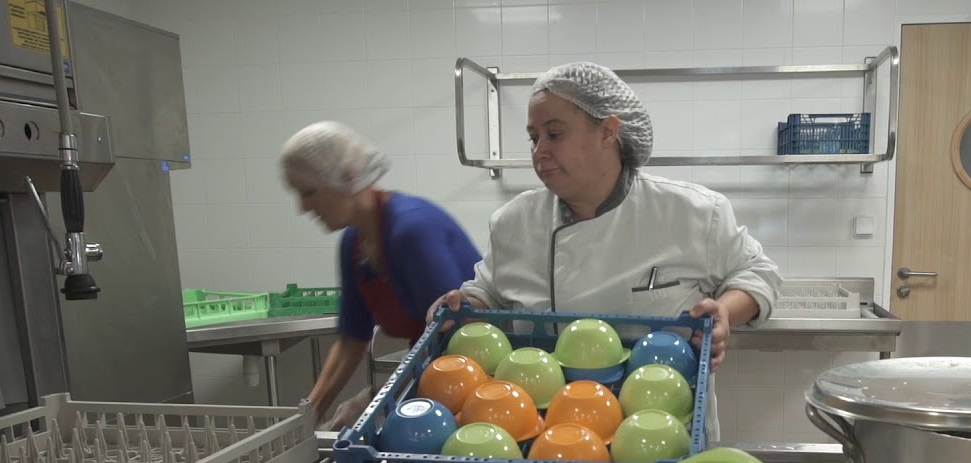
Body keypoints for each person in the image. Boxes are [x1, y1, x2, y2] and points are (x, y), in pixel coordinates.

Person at [427, 62, 782, 439]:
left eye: (554, 134)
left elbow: (758, 273)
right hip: (541, 438)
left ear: (608, 132)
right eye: (534, 137)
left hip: (661, 434)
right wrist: (463, 307)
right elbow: (488, 292)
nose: (540, 152)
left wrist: (725, 310)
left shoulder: (690, 213)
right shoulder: (513, 222)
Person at [280, 121, 481, 429]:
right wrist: (306, 417)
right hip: (436, 378)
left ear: (346, 178)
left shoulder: (412, 231)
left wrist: (378, 400)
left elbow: (454, 338)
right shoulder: (353, 243)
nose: (303, 207)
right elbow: (351, 341)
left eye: (309, 192)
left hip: (474, 379)